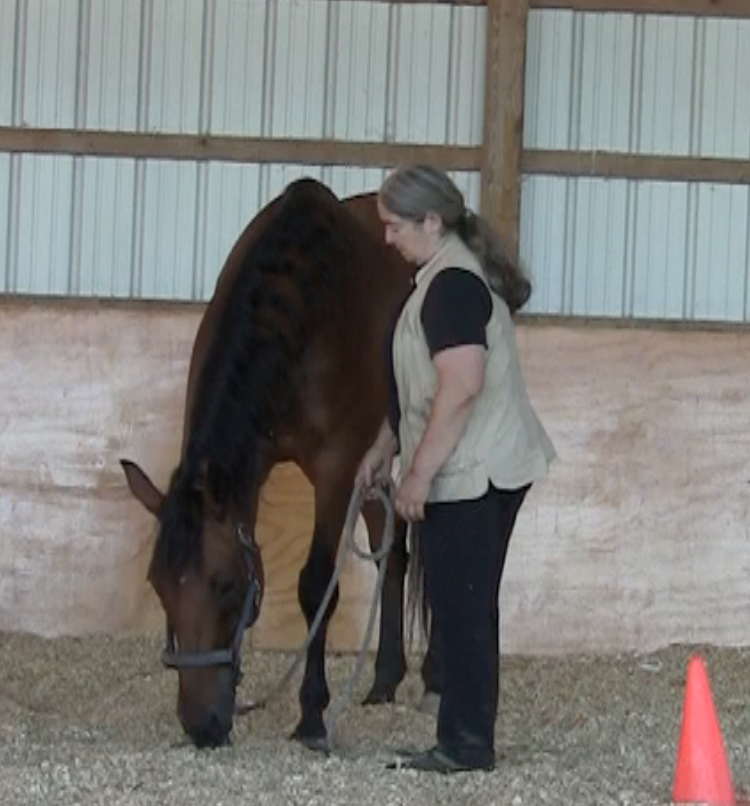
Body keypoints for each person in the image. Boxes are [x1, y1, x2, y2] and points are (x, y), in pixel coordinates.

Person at [356, 166, 555, 774]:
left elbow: (462, 386)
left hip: (477, 470)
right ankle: (459, 735)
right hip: (468, 465)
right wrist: (386, 444)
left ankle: (468, 744)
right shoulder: (439, 280)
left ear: (431, 222)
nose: (387, 239)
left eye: (394, 227)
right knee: (458, 600)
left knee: (463, 605)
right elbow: (422, 384)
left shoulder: (451, 287)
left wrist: (417, 476)